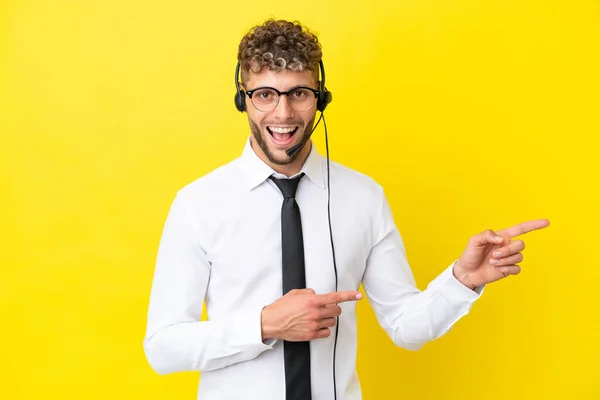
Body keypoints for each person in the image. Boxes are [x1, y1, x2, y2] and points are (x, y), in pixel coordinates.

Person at [142, 19, 549, 400]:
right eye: (265, 94)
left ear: (320, 98)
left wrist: (463, 280)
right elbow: (163, 347)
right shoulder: (198, 203)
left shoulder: (364, 197)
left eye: (299, 93)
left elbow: (406, 327)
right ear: (242, 99)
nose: (282, 114)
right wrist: (266, 324)